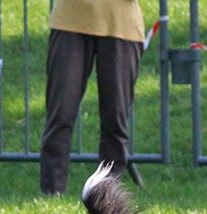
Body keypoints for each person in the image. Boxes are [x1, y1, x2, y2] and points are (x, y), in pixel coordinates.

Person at [39, 0, 145, 195]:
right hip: (69, 23)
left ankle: (107, 196)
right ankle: (51, 191)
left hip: (122, 26)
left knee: (115, 119)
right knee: (60, 116)